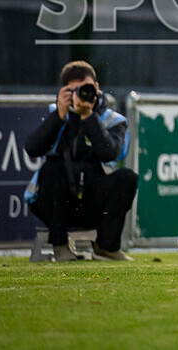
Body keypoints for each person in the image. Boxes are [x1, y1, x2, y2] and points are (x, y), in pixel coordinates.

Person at [24, 61, 135, 262]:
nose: (80, 94)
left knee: (127, 177)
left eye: (85, 88)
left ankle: (107, 246)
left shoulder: (112, 119)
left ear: (97, 88)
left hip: (94, 201)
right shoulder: (55, 113)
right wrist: (59, 116)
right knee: (52, 167)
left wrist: (88, 116)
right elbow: (33, 148)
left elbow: (110, 153)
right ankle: (59, 246)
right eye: (73, 89)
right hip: (56, 203)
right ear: (64, 91)